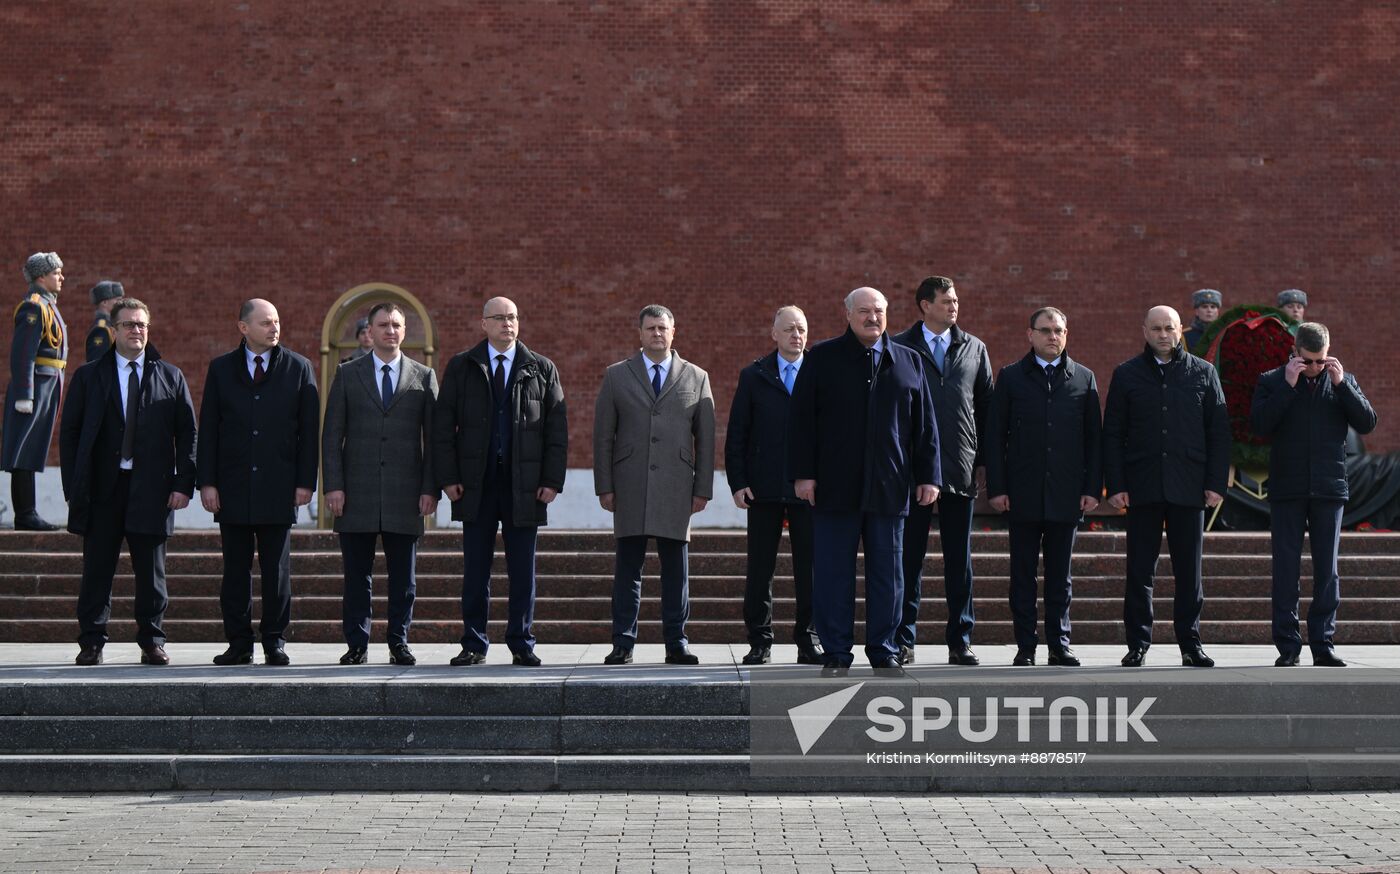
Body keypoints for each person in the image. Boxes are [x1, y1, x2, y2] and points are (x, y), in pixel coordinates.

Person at [789, 287, 940, 676]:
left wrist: (929, 476)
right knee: (833, 573)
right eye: (864, 311)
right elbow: (801, 422)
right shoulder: (822, 358)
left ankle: (884, 648)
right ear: (848, 315)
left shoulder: (908, 361)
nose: (872, 317)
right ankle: (837, 650)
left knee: (889, 575)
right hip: (834, 486)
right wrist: (803, 474)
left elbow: (925, 428)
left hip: (890, 488)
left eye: (879, 311)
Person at [59, 297, 196, 666]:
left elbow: (188, 435)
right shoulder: (90, 375)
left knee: (152, 573)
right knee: (97, 570)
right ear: (114, 330)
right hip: (103, 489)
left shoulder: (170, 375)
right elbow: (69, 433)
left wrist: (183, 484)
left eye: (142, 325)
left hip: (152, 490)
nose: (137, 331)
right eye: (129, 324)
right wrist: (73, 486)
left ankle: (152, 639)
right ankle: (92, 641)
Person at [433, 296, 567, 667]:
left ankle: (522, 641)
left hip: (524, 484)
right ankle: (474, 642)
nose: (508, 324)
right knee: (476, 567)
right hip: (476, 482)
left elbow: (557, 430)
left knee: (523, 568)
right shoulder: (463, 366)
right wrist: (448, 478)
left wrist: (552, 480)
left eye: (513, 317)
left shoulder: (540, 368)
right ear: (484, 324)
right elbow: (443, 427)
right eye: (499, 318)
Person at [1103, 305, 1230, 668]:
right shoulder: (1127, 375)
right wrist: (1116, 484)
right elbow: (1113, 434)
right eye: (1156, 328)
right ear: (1144, 330)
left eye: (1169, 328)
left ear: (1180, 331)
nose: (1163, 335)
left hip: (1189, 487)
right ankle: (1138, 643)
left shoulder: (1203, 373)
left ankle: (1191, 644)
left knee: (1189, 572)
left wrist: (1215, 483)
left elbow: (1218, 433)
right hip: (1141, 487)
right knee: (1140, 571)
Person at [197, 299, 319, 667]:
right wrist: (208, 482)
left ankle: (274, 641)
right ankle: (239, 642)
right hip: (232, 486)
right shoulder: (220, 370)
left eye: (277, 322)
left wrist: (305, 483)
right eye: (265, 322)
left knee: (276, 571)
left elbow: (308, 433)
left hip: (278, 486)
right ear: (243, 328)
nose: (274, 328)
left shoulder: (299, 368)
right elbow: (209, 431)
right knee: (234, 570)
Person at [593, 304, 714, 666]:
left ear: (673, 332)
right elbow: (603, 437)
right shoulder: (617, 376)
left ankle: (676, 641)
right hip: (629, 483)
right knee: (628, 567)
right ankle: (623, 642)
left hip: (677, 486)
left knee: (676, 569)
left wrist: (702, 488)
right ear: (640, 333)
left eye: (663, 328)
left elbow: (705, 439)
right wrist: (604, 486)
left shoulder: (696, 377)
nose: (657, 334)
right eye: (650, 328)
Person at [1251, 322, 1376, 667]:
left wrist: (1342, 386)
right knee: (1286, 568)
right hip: (1287, 489)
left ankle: (1323, 643)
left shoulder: (1341, 381)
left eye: (1321, 360)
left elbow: (1367, 423)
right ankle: (1288, 645)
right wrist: (1288, 388)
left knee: (1327, 570)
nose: (1316, 368)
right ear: (1294, 354)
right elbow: (1259, 426)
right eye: (1309, 361)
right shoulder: (1273, 380)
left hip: (1329, 488)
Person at [321, 302, 438, 666]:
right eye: (383, 325)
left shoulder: (423, 376)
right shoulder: (348, 373)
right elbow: (331, 435)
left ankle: (398, 641)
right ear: (369, 331)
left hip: (406, 493)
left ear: (404, 331)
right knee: (358, 575)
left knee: (404, 577)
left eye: (397, 325)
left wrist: (429, 488)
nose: (391, 331)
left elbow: (433, 441)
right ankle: (357, 642)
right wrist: (333, 486)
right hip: (357, 491)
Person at [984, 307, 1102, 666]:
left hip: (1066, 494)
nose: (1053, 336)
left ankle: (1059, 643)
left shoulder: (1083, 378)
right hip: (1021, 493)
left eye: (1059, 330)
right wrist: (997, 488)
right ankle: (1025, 645)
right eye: (1046, 330)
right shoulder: (1012, 377)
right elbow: (995, 436)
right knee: (1022, 574)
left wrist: (1092, 488)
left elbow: (1093, 441)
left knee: (1059, 577)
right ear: (1030, 335)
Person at [891, 275, 992, 666]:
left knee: (958, 560)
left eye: (956, 301)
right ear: (925, 306)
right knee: (908, 558)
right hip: (912, 473)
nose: (954, 307)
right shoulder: (899, 347)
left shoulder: (974, 348)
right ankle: (903, 639)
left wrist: (983, 462)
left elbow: (986, 408)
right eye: (946, 301)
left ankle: (960, 640)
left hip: (959, 467)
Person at [725, 305, 821, 666]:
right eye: (790, 329)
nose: (797, 335)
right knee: (760, 569)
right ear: (774, 334)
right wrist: (738, 482)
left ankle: (808, 640)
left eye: (802, 329)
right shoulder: (754, 375)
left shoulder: (820, 372)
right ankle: (760, 641)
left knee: (809, 569)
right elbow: (738, 433)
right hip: (763, 489)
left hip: (808, 490)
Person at [4, 252, 68, 531]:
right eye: (56, 273)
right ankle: (25, 513)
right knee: (23, 449)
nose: (61, 277)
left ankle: (28, 512)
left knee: (33, 447)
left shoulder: (47, 305)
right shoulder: (34, 307)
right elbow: (22, 354)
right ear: (42, 276)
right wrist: (24, 393)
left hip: (48, 382)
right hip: (36, 384)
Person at [85, 280, 123, 364]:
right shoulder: (101, 329)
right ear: (104, 302)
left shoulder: (111, 325)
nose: (120, 303)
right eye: (117, 300)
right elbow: (96, 362)